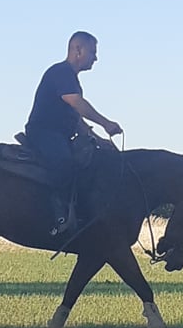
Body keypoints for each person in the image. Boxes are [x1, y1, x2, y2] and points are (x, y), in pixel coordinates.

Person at [24, 31, 123, 236]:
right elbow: (76, 104)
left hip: (59, 135)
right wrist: (106, 123)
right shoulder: (60, 73)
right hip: (44, 133)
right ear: (78, 49)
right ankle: (60, 217)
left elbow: (76, 119)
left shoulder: (70, 79)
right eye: (93, 52)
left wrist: (98, 140)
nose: (96, 58)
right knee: (64, 163)